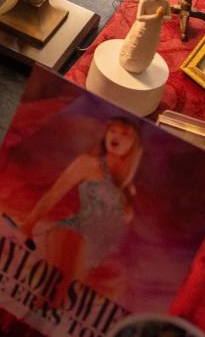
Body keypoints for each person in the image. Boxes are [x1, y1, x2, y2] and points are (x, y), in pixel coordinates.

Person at [17, 117, 143, 307]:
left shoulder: (128, 191)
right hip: (74, 235)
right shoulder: (88, 164)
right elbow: (54, 192)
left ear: (135, 145)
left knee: (57, 305)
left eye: (125, 133)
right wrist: (28, 224)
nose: (116, 136)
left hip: (93, 254)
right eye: (112, 130)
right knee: (50, 299)